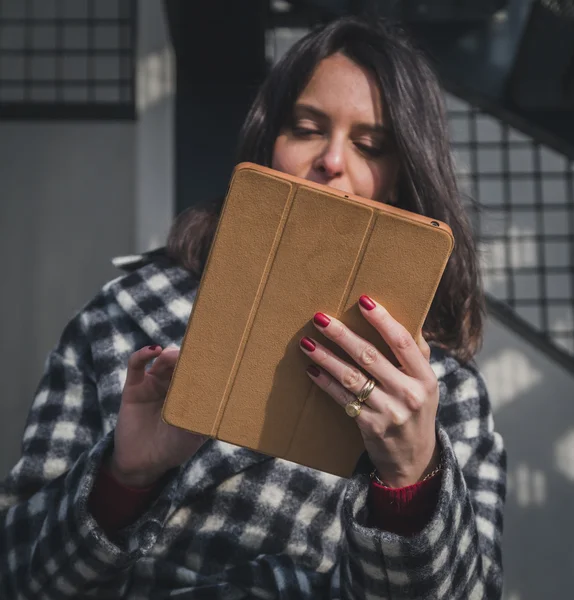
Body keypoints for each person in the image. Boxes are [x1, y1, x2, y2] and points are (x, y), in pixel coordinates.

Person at [0, 16, 506, 599]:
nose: (331, 161)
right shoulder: (124, 313)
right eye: (306, 128)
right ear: (270, 145)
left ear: (399, 178)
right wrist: (123, 478)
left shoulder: (443, 393)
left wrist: (411, 483)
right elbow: (21, 576)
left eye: (370, 145)